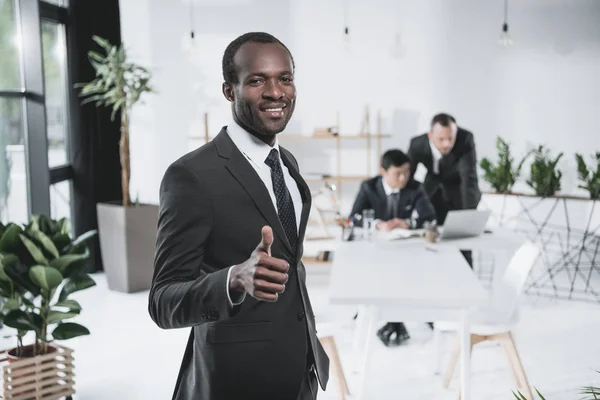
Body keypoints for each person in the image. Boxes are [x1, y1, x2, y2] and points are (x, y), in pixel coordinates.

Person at [149, 32, 329, 400]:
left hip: (299, 370)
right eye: (257, 80)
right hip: (235, 380)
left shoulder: (286, 163)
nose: (276, 92)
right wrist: (232, 279)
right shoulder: (192, 176)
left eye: (285, 78)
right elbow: (163, 301)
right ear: (229, 90)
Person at [350, 149, 436, 346]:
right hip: (376, 247)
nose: (404, 177)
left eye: (407, 172)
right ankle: (386, 317)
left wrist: (408, 223)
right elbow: (353, 217)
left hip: (406, 248)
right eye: (398, 173)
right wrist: (378, 224)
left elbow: (429, 217)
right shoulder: (368, 187)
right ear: (383, 171)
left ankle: (396, 319)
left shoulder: (415, 187)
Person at [407, 113, 482, 268]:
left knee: (462, 243)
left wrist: (468, 217)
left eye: (451, 138)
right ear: (430, 135)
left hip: (459, 191)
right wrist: (406, 211)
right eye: (441, 139)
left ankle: (467, 281)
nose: (447, 144)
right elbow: (408, 180)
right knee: (430, 240)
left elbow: (468, 179)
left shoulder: (465, 139)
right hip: (431, 192)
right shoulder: (417, 144)